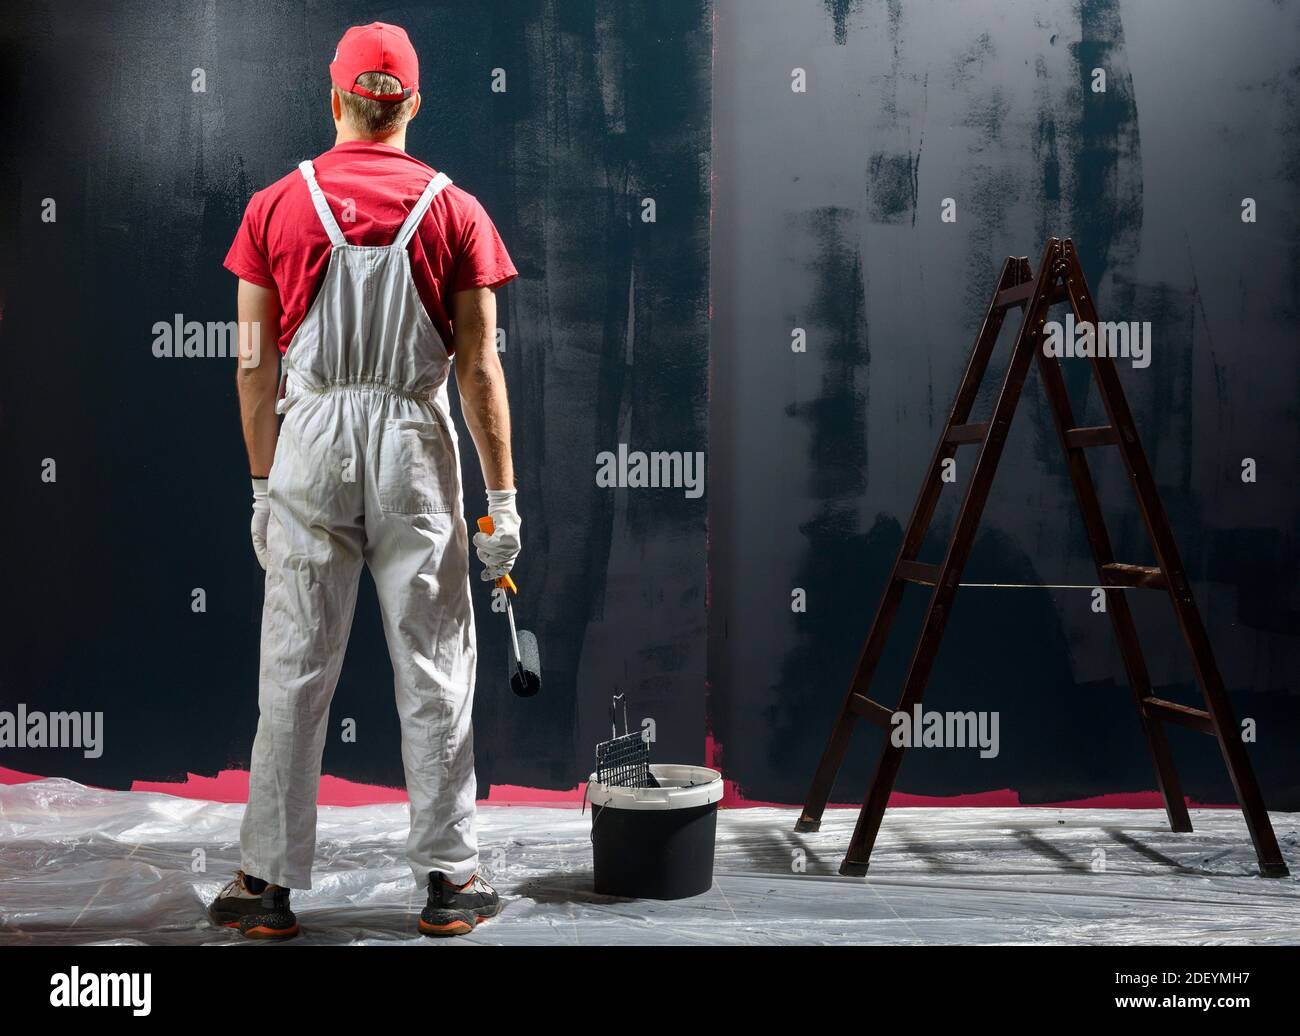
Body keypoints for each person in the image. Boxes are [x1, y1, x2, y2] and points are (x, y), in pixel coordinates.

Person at [208, 22, 521, 939]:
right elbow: (479, 369)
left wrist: (262, 485)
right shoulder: (456, 211)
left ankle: (266, 885)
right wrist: (502, 500)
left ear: (334, 96)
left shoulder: (275, 207)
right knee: (434, 663)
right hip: (412, 444)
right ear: (411, 103)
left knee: (295, 663)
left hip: (308, 443)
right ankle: (451, 880)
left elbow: (253, 365)